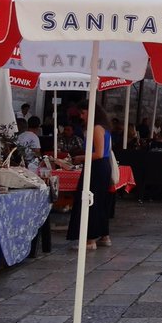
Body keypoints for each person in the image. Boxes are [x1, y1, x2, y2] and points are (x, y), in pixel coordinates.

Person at [67, 104, 113, 251]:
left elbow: (98, 153)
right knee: (99, 200)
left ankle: (90, 239)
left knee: (90, 200)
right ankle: (103, 235)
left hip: (97, 167)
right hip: (100, 167)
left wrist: (81, 157)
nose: (81, 116)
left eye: (83, 113)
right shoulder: (100, 128)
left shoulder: (97, 128)